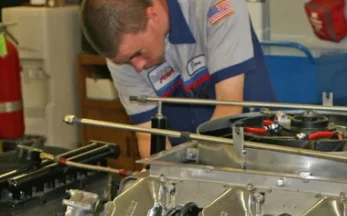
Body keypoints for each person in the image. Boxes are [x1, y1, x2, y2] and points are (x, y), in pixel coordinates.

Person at [80, 0, 277, 157]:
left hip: (255, 146)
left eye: (137, 54)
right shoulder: (124, 54)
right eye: (125, 61)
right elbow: (149, 136)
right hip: (186, 157)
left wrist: (196, 175)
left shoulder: (215, 5)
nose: (137, 66)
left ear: (153, 15)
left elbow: (228, 108)